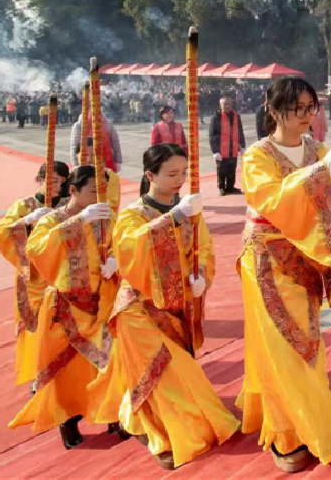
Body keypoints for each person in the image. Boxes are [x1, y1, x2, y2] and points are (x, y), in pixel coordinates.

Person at [87, 144, 239, 470]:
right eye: (171, 174)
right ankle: (166, 435)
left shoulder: (189, 210)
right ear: (149, 175)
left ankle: (141, 419)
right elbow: (130, 250)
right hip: (138, 309)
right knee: (167, 375)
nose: (179, 180)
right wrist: (175, 218)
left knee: (180, 376)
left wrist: (201, 275)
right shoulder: (133, 215)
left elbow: (204, 250)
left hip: (175, 308)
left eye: (183, 173)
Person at [237, 78, 331, 472]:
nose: (308, 115)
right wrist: (324, 171)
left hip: (305, 257)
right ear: (274, 111)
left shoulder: (318, 149)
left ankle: (307, 418)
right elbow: (271, 199)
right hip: (267, 259)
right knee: (281, 345)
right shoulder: (257, 156)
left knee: (308, 342)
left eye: (312, 107)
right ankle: (287, 431)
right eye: (299, 108)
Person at [9, 165, 122, 449]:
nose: (101, 197)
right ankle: (68, 420)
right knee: (69, 371)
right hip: (67, 307)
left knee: (108, 360)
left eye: (104, 191)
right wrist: (79, 221)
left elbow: (123, 243)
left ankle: (113, 414)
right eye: (93, 191)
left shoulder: (107, 217)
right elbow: (36, 250)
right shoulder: (54, 220)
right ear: (72, 190)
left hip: (101, 302)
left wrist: (117, 260)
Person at [0, 162, 70, 394]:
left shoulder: (69, 205)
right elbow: (2, 234)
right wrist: (26, 222)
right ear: (40, 179)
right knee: (35, 326)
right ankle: (38, 373)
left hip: (61, 275)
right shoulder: (25, 205)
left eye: (60, 181)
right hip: (34, 278)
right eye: (51, 180)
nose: (55, 185)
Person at [210, 97, 245, 196]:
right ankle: (221, 187)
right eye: (225, 104)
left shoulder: (236, 116)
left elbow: (240, 132)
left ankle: (230, 187)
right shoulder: (216, 118)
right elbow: (212, 135)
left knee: (232, 168)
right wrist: (215, 151)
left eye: (229, 104)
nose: (228, 106)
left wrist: (242, 146)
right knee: (221, 169)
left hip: (233, 148)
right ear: (220, 106)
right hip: (221, 149)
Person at [70, 105, 122, 173]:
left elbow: (115, 144)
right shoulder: (80, 125)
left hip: (106, 159)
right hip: (87, 160)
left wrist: (118, 161)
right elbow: (74, 146)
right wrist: (76, 164)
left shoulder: (107, 124)